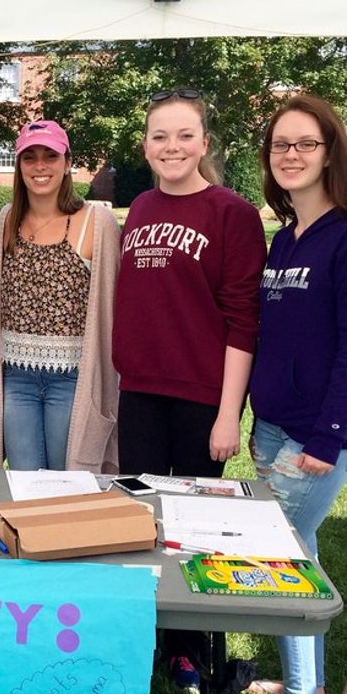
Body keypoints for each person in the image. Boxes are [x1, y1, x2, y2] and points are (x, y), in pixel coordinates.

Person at [237, 93, 347, 694]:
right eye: (280, 145)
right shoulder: (286, 237)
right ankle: (310, 683)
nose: (290, 154)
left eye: (304, 143)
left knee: (279, 555)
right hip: (275, 424)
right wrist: (256, 416)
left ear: (331, 153)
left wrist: (326, 433)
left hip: (319, 432)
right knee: (302, 547)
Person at [113, 88, 266, 479]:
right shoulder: (140, 208)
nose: (171, 147)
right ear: (146, 146)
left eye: (184, 135)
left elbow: (244, 323)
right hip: (138, 394)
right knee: (139, 513)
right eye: (159, 137)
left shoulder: (234, 214)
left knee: (191, 523)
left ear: (204, 143)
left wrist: (229, 414)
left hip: (200, 400)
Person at [0, 120, 121, 472]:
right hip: (16, 378)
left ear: (67, 162)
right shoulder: (7, 220)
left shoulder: (96, 220)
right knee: (25, 482)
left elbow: (113, 307)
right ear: (18, 166)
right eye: (29, 157)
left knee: (70, 484)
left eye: (50, 155)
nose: (40, 166)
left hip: (73, 379)